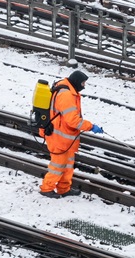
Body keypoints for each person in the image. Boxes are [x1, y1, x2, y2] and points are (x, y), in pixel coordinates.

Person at [39, 70, 104, 198]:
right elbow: (72, 120)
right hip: (59, 136)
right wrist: (90, 126)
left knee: (68, 165)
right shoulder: (66, 95)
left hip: (65, 137)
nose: (84, 86)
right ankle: (47, 188)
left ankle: (64, 188)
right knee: (57, 165)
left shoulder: (67, 88)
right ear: (76, 82)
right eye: (83, 83)